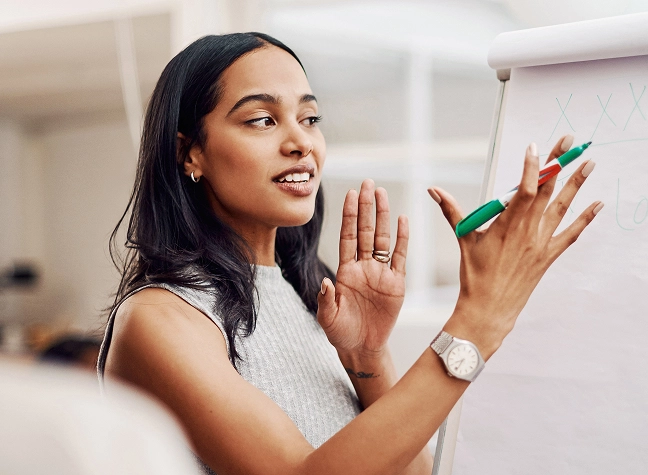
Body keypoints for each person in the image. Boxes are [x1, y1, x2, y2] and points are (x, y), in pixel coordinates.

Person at [98, 32, 602, 475]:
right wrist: (478, 320)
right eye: (261, 120)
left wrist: (367, 358)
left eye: (309, 117)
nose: (301, 142)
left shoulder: (309, 295)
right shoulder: (160, 318)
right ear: (191, 153)